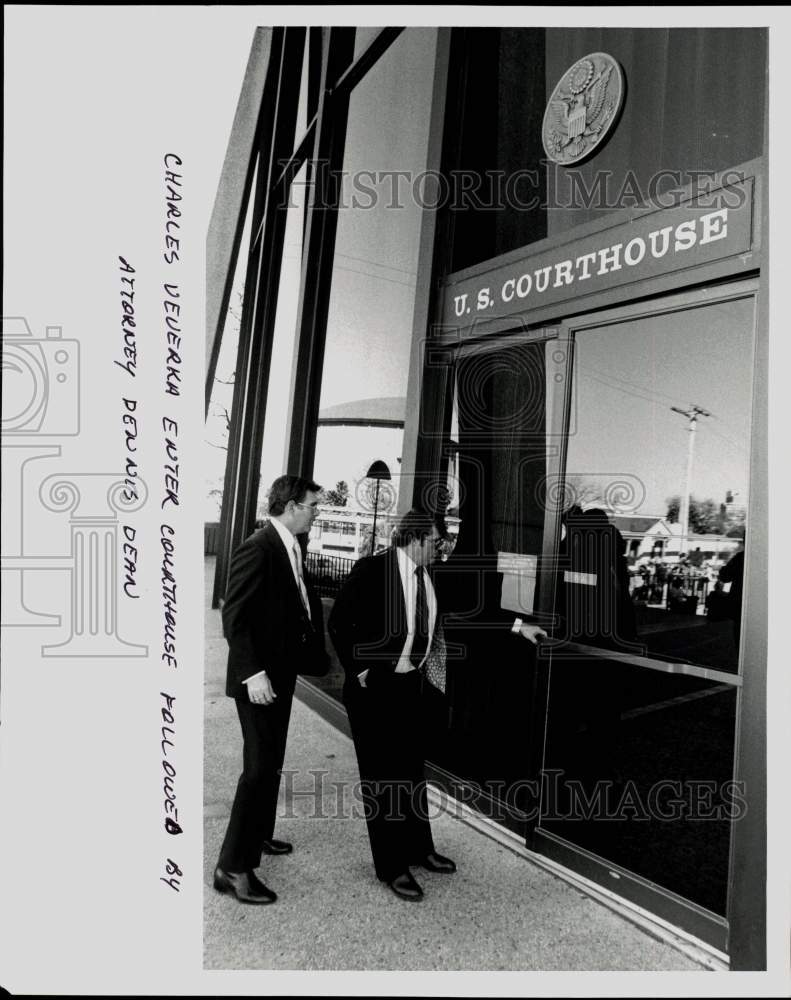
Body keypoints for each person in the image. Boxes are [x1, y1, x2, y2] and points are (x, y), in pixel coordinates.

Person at [327, 510, 456, 901]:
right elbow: (340, 623)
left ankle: (419, 849)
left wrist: (520, 626)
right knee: (382, 777)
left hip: (409, 686)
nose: (441, 548)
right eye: (436, 542)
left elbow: (474, 612)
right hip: (374, 688)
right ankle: (391, 866)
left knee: (410, 770)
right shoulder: (372, 570)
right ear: (416, 539)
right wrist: (359, 669)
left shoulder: (431, 578)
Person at [213, 475, 330, 904]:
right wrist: (252, 673)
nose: (317, 511)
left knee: (272, 763)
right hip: (258, 680)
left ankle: (259, 835)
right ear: (292, 506)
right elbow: (235, 616)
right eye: (313, 505)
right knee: (258, 770)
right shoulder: (258, 547)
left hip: (279, 675)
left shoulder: (290, 545)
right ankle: (232, 867)